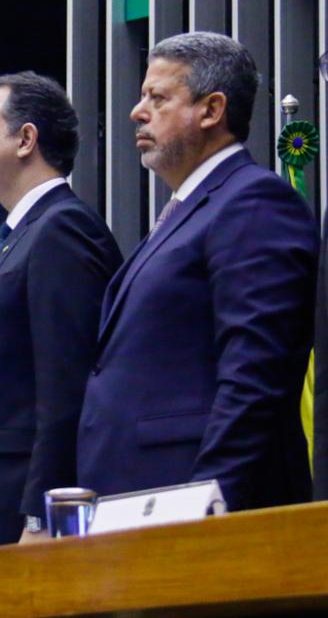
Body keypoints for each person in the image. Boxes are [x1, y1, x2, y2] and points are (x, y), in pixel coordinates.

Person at [78, 32, 318, 511]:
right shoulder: (186, 211)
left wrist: (209, 501)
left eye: (158, 98)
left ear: (211, 110)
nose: (137, 111)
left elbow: (255, 373)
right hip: (140, 499)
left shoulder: (254, 201)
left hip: (198, 506)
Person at [0, 71, 121, 545]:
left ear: (26, 140)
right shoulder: (18, 240)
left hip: (19, 516)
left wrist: (42, 517)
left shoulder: (62, 229)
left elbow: (67, 389)